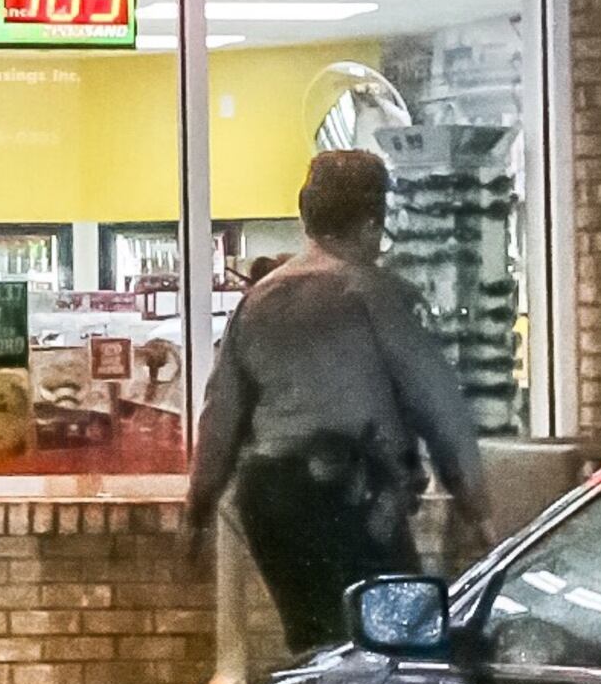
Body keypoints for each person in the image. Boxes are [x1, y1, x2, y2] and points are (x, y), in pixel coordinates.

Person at [186, 149, 493, 654]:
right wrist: (479, 513)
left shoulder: (258, 302)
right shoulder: (383, 297)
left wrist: (196, 512)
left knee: (316, 644)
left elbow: (221, 418)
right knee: (398, 644)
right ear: (374, 221)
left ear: (307, 214)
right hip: (357, 496)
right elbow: (442, 411)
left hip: (273, 504)